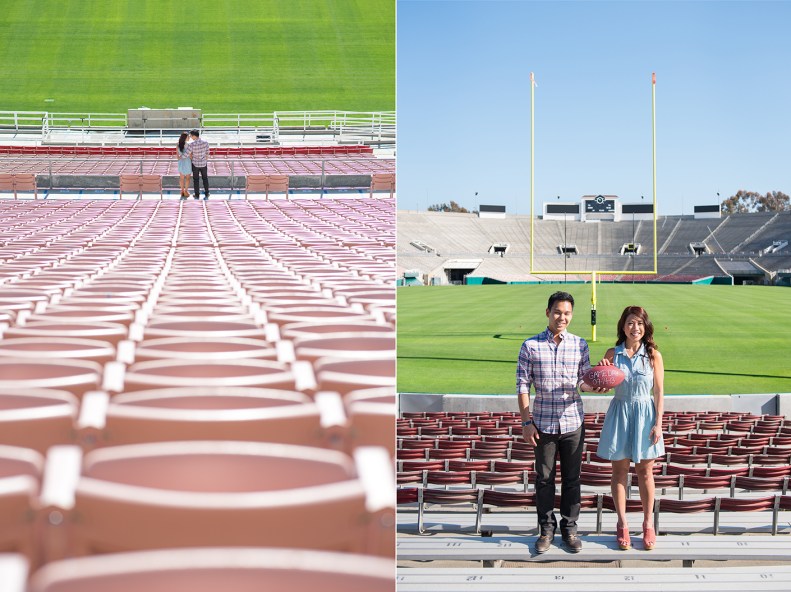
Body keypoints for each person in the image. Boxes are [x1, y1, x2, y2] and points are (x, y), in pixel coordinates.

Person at [516, 291, 605, 554]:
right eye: (557, 312)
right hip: (542, 422)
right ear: (548, 312)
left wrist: (595, 383)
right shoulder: (530, 346)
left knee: (572, 479)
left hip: (572, 422)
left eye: (566, 313)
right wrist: (525, 422)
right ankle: (545, 529)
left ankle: (569, 528)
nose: (561, 317)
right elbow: (523, 385)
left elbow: (582, 380)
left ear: (571, 315)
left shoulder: (580, 344)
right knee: (544, 479)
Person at [596, 305, 665, 551]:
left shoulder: (653, 354)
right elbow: (599, 386)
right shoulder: (612, 354)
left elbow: (658, 391)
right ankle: (622, 523)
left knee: (646, 472)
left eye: (639, 323)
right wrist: (601, 372)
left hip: (645, 414)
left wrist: (658, 424)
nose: (634, 328)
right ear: (622, 326)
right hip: (620, 413)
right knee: (619, 472)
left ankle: (648, 524)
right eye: (630, 323)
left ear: (645, 327)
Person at [185, 129, 209, 200]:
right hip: (204, 164)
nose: (191, 137)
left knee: (196, 179)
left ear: (194, 136)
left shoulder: (192, 144)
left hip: (195, 164)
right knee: (205, 178)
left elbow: (187, 154)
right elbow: (207, 153)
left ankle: (197, 194)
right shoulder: (205, 142)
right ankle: (207, 192)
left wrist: (180, 157)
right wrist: (204, 160)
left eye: (191, 136)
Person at [176, 132, 192, 199]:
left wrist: (181, 157)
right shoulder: (189, 145)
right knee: (188, 178)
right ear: (185, 137)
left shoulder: (178, 144)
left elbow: (177, 156)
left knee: (181, 178)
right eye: (188, 136)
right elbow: (191, 155)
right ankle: (186, 191)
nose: (189, 138)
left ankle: (182, 191)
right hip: (187, 162)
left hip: (181, 162)